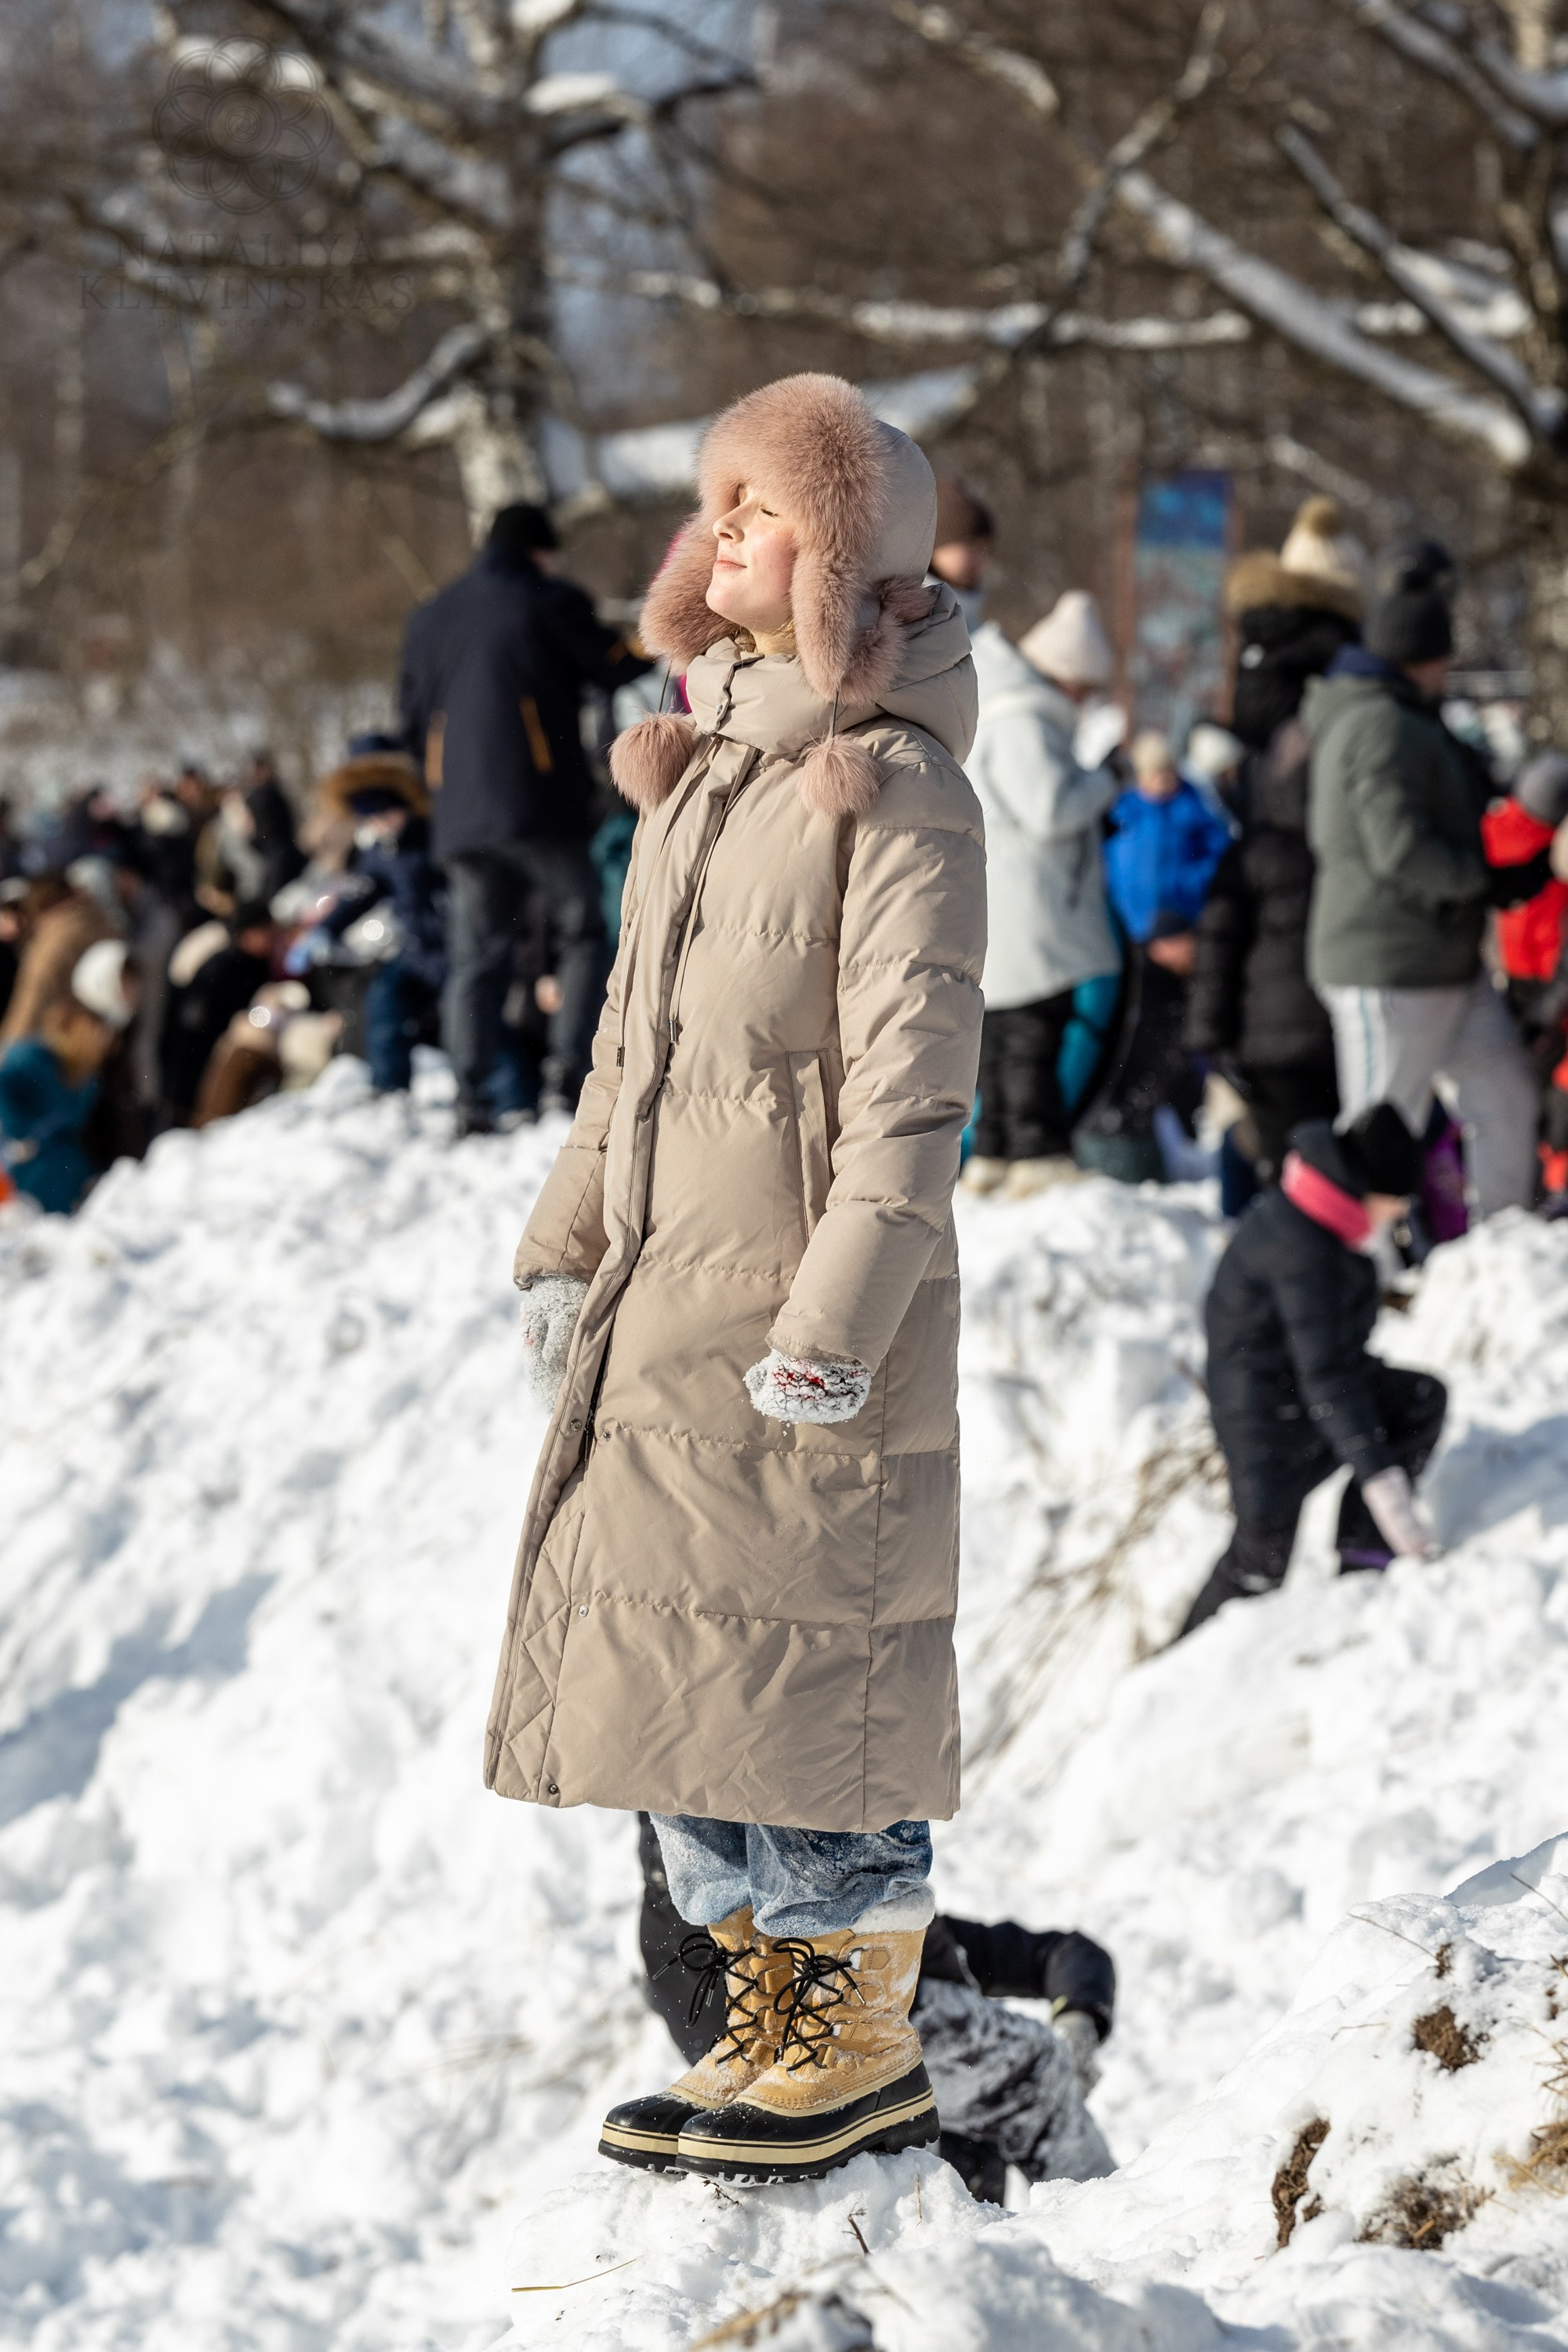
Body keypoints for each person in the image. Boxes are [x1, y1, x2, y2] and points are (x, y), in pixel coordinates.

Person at [483, 373, 985, 2183]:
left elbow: (913, 1088)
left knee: (806, 1692)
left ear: (844, 551)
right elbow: (624, 1054)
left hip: (795, 1321)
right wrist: (561, 1248)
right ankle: (761, 2024)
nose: (723, 532)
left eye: (763, 507)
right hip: (665, 1309)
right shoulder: (699, 782)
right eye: (715, 503)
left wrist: (834, 1324)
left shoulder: (898, 788)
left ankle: (849, 2035)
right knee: (679, 1692)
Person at [633, 1816, 1114, 2201]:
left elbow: (1061, 1953)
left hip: (818, 2030)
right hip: (849, 2035)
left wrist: (1080, 2017)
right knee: (1036, 2068)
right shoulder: (845, 1932)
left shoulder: (913, 1936)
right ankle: (1103, 2221)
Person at [1304, 543, 1546, 1221]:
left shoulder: (1397, 714)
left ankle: (1502, 1248)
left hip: (1440, 959)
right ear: (1420, 657)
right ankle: (1360, 1276)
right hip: (1386, 966)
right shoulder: (1378, 722)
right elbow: (1398, 847)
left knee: (1504, 1100)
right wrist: (1483, 880)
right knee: (1378, 1130)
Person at [397, 501, 652, 1136]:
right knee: (584, 932)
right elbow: (615, 664)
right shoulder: (547, 598)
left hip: (457, 815)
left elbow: (407, 718)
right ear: (540, 549)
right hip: (538, 804)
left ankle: (470, 1096)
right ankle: (566, 1079)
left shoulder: (430, 617)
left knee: (475, 958)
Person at [1181, 1102, 1446, 1639]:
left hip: (1295, 1392)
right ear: (1369, 1186)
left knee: (1418, 1400)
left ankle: (1364, 1563)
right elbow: (1328, 1375)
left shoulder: (1320, 1215)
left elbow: (1333, 1361)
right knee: (1260, 1561)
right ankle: (1175, 1678)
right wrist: (1382, 1482)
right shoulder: (1304, 1248)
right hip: (1262, 1415)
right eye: (1397, 1199)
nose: (1399, 1213)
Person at [962, 590, 1123, 1197]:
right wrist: (1106, 780)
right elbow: (1051, 807)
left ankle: (998, 1148)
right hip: (1027, 908)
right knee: (1031, 1031)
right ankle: (1034, 1150)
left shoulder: (1005, 709)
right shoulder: (1024, 718)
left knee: (1005, 1033)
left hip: (1007, 903)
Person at [314, 737, 446, 1094]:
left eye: (386, 810)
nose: (380, 822)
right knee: (385, 1000)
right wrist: (327, 928)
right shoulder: (383, 850)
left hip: (453, 949)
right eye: (369, 814)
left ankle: (512, 1100)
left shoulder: (437, 836)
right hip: (417, 952)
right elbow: (363, 889)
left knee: (472, 1020)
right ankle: (389, 1089)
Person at [1481, 751, 1568, 1209]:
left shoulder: (1494, 828)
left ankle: (1533, 1182)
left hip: (1514, 978)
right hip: (1554, 980)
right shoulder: (1553, 848)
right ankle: (1551, 1182)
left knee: (1526, 1083)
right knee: (1555, 1088)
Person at [0, 939, 135, 1214]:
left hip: (61, 1184)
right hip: (21, 1183)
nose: (107, 1043)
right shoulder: (33, 1059)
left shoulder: (87, 1078)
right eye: (101, 1031)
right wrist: (17, 1135)